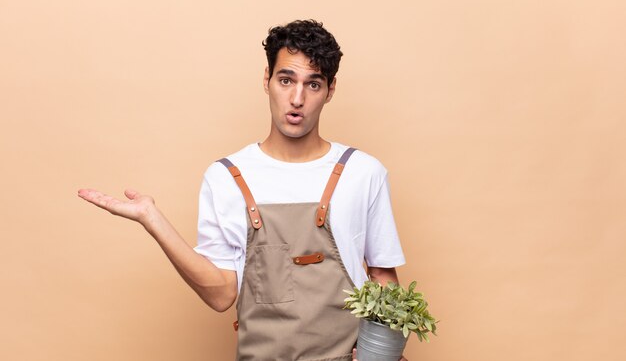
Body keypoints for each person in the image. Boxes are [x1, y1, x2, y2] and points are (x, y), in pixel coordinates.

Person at [78, 19, 407, 361]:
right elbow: (221, 296)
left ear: (330, 89)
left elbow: (383, 277)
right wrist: (152, 220)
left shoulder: (364, 172)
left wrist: (379, 354)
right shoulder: (225, 177)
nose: (297, 98)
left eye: (313, 84)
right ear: (267, 80)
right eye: (286, 80)